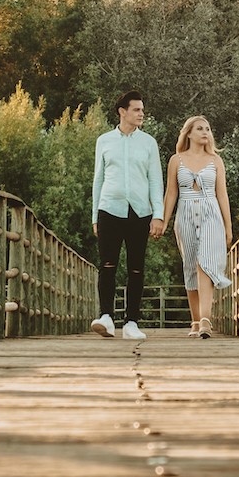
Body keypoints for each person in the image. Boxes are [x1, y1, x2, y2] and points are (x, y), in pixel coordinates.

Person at [90, 89, 164, 339]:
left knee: (136, 268)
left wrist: (158, 215)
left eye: (142, 110)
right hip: (109, 209)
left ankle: (131, 322)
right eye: (136, 109)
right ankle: (106, 317)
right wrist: (94, 216)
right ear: (123, 112)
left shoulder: (149, 143)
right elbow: (97, 180)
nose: (141, 113)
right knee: (107, 265)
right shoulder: (104, 141)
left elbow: (156, 181)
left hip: (140, 211)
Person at [157, 115, 233, 339]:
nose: (205, 132)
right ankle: (195, 320)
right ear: (188, 133)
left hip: (211, 213)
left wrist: (228, 227)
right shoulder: (176, 160)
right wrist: (163, 220)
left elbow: (222, 194)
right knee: (190, 265)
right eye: (199, 128)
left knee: (204, 263)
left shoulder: (216, 160)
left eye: (208, 129)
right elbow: (171, 193)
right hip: (185, 213)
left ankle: (206, 321)